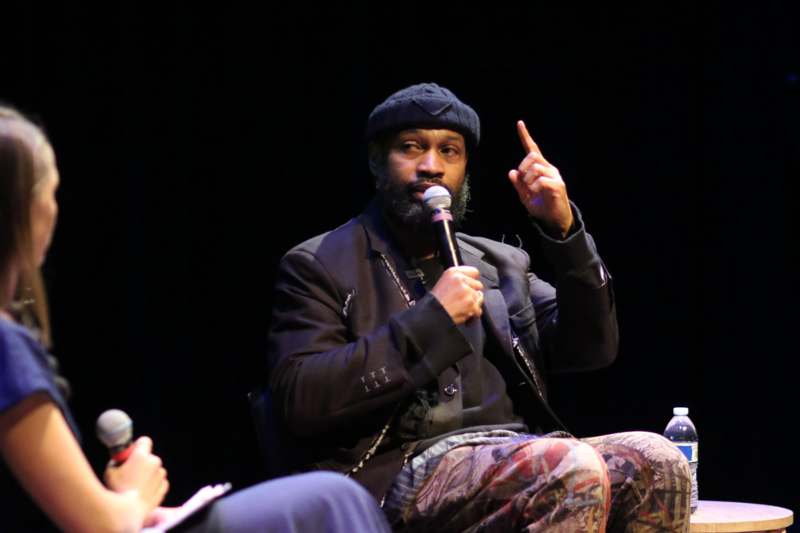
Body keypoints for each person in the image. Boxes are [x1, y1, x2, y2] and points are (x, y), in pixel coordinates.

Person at [267, 83, 693, 532]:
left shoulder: (500, 264)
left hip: (516, 451)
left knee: (656, 460)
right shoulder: (320, 263)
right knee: (565, 466)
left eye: (449, 151)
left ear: (465, 167)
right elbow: (300, 400)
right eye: (411, 148)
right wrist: (430, 320)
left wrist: (564, 233)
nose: (430, 167)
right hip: (395, 476)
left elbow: (592, 349)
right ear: (377, 162)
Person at [0, 106, 392, 533]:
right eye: (52, 193)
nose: (55, 212)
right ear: (21, 211)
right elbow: (103, 528)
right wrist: (134, 493)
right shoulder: (5, 346)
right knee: (333, 500)